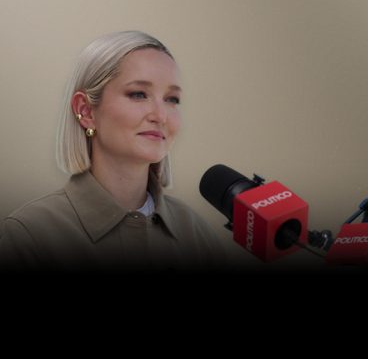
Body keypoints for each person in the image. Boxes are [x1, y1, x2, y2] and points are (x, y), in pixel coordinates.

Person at [0, 31, 226, 271]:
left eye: (172, 99)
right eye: (138, 94)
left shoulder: (199, 236)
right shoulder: (29, 236)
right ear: (86, 111)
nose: (161, 116)